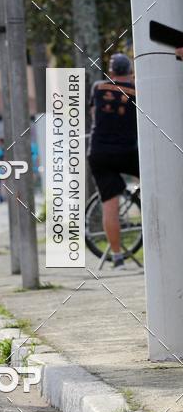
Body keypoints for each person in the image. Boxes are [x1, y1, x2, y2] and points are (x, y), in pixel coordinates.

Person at [87, 53, 138, 268]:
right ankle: (139, 190)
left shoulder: (98, 88)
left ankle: (117, 258)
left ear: (111, 71)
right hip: (127, 151)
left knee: (109, 205)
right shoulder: (136, 90)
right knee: (157, 177)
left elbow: (93, 113)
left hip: (99, 152)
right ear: (130, 71)